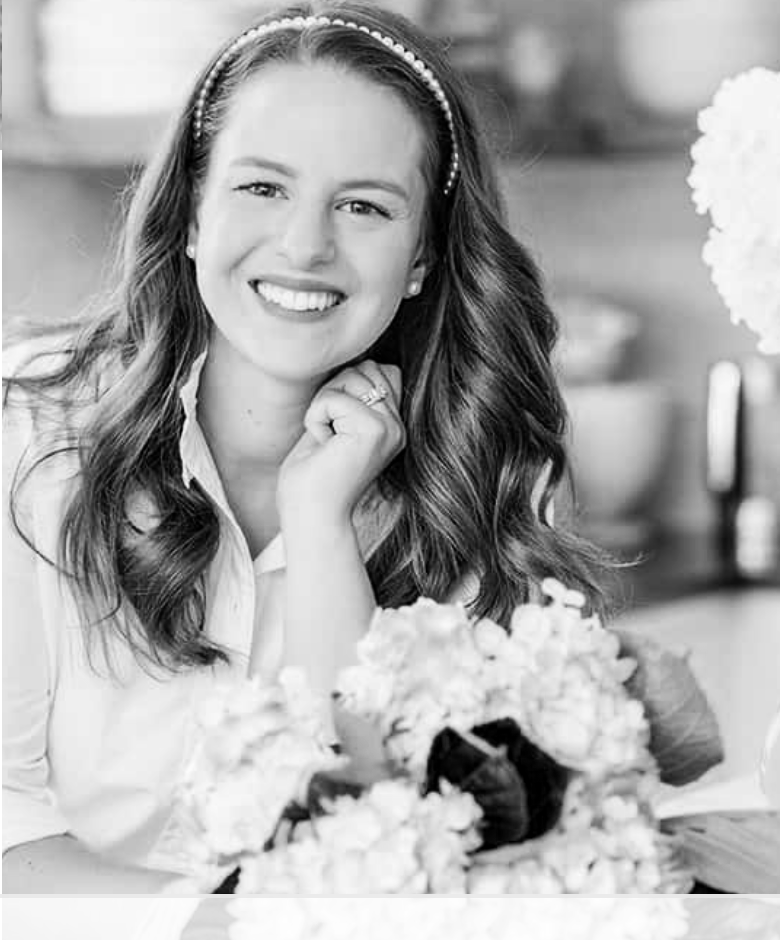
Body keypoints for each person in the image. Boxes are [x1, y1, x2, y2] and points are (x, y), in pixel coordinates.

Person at [2, 0, 613, 894]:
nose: (304, 244)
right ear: (191, 214)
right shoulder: (28, 431)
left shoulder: (485, 482)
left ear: (420, 258)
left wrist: (321, 526)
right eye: (262, 188)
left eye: (363, 206)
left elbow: (395, 846)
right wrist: (230, 939)